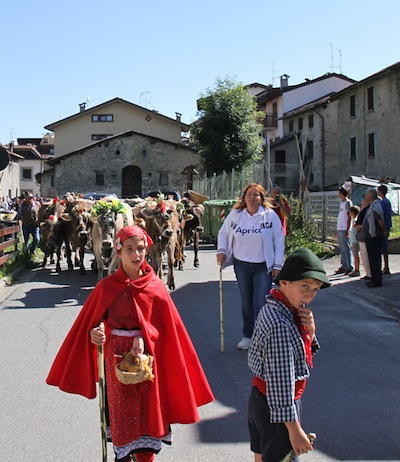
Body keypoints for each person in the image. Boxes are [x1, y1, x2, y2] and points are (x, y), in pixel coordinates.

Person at [46, 225, 214, 462]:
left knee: (147, 413)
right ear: (118, 252)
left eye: (141, 249)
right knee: (123, 415)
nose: (136, 255)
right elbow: (96, 322)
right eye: (129, 249)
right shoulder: (106, 287)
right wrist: (97, 332)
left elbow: (166, 329)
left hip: (148, 360)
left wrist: (144, 338)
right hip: (115, 361)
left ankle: (145, 457)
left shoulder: (155, 286)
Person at [247, 247, 331, 462]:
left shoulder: (276, 307)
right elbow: (281, 380)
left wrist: (310, 333)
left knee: (263, 456)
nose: (309, 294)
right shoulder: (281, 325)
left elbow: (295, 355)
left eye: (315, 289)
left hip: (262, 400)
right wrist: (293, 428)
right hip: (277, 408)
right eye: (304, 286)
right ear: (284, 282)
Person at [216, 183, 285, 350]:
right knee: (246, 302)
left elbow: (279, 239)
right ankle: (248, 335)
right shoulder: (236, 215)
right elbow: (223, 233)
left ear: (262, 198)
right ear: (244, 197)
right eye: (249, 194)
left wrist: (277, 264)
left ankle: (263, 336)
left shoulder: (269, 216)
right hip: (242, 265)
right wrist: (222, 251)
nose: (253, 198)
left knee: (261, 302)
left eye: (256, 195)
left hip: (263, 266)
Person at [362, 188, 386, 288]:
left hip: (374, 237)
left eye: (366, 195)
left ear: (371, 196)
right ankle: (373, 278)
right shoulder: (370, 206)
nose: (365, 197)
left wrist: (383, 231)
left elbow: (380, 221)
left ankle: (377, 280)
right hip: (370, 237)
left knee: (375, 259)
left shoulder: (376, 207)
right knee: (371, 259)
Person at [335, 186, 353, 275]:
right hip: (340, 228)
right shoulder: (342, 203)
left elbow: (350, 217)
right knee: (342, 248)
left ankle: (350, 266)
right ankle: (344, 265)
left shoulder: (347, 203)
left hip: (344, 228)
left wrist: (348, 229)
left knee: (346, 248)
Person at [354, 196, 371, 280]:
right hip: (361, 234)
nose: (362, 201)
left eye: (364, 199)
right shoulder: (363, 210)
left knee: (366, 255)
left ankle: (369, 273)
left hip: (364, 234)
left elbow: (367, 223)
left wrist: (360, 226)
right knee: (363, 255)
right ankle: (367, 273)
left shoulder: (367, 210)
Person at [377, 184, 392, 275]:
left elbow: (381, 215)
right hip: (387, 225)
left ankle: (386, 267)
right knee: (384, 248)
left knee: (383, 248)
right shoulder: (387, 201)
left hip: (384, 227)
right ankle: (386, 267)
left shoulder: (383, 203)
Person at [348, 205, 361, 277]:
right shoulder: (354, 219)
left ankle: (357, 270)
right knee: (355, 255)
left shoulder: (356, 220)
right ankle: (356, 269)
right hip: (353, 240)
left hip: (355, 240)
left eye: (350, 211)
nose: (349, 213)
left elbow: (356, 229)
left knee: (356, 255)